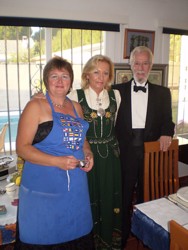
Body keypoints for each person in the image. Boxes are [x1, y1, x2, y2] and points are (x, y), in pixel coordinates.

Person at [15, 56, 94, 250]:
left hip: (75, 188)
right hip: (44, 188)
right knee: (44, 236)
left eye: (65, 76)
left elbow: (83, 139)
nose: (60, 81)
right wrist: (56, 161)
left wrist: (87, 152)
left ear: (71, 81)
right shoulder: (35, 106)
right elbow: (22, 148)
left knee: (77, 233)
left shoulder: (76, 107)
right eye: (54, 76)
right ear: (46, 80)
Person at [113, 46, 175, 248]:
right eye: (137, 63)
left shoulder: (163, 93)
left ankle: (147, 239)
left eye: (145, 63)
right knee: (122, 199)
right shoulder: (115, 91)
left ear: (151, 65)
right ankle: (121, 239)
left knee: (148, 198)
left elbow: (168, 120)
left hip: (150, 154)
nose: (141, 67)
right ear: (131, 65)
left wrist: (167, 131)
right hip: (124, 154)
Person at [68, 55, 122, 249]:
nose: (101, 76)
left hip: (110, 156)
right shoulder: (75, 96)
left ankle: (109, 240)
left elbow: (114, 125)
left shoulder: (116, 95)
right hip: (87, 155)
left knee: (109, 195)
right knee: (89, 196)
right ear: (87, 74)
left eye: (105, 73)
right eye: (96, 71)